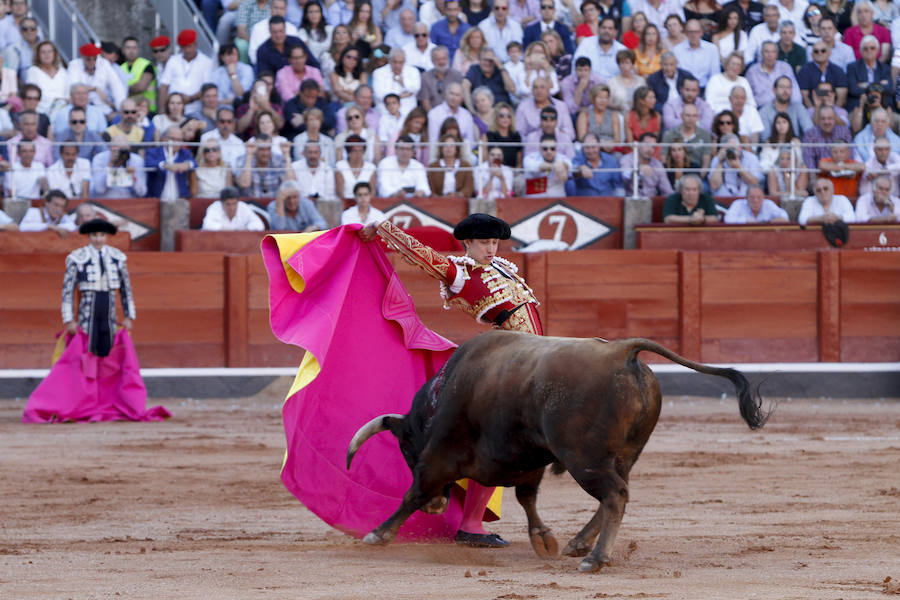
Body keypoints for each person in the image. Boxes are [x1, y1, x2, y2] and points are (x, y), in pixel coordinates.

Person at [355, 212, 541, 549]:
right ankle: (470, 524)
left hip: (529, 358)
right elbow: (419, 252)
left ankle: (471, 521)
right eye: (484, 242)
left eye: (495, 242)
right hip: (509, 363)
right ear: (467, 243)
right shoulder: (458, 273)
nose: (491, 248)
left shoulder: (500, 267)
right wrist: (383, 227)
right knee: (496, 442)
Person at [59, 217, 133, 355]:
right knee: (86, 352)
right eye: (94, 235)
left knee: (109, 352)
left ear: (106, 236)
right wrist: (69, 320)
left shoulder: (117, 257)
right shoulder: (77, 257)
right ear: (89, 236)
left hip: (109, 316)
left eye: (102, 235)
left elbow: (126, 289)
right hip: (86, 316)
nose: (98, 239)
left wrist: (129, 316)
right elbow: (67, 291)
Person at [145, 126, 197, 199]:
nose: (176, 142)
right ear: (164, 139)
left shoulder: (185, 152)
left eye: (178, 140)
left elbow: (195, 163)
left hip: (180, 199)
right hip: (157, 199)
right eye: (172, 139)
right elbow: (149, 163)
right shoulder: (153, 152)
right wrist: (166, 165)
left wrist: (187, 165)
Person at [746, 41, 802, 107]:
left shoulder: (785, 67)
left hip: (786, 107)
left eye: (773, 52)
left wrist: (795, 106)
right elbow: (748, 96)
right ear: (761, 54)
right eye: (766, 52)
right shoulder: (752, 72)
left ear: (777, 54)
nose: (770, 55)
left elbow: (795, 91)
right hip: (762, 109)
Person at [758, 75, 814, 141]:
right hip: (773, 148)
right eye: (782, 87)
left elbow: (810, 132)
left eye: (788, 87)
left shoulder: (799, 108)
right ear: (774, 90)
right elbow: (765, 138)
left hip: (796, 148)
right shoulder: (764, 111)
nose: (785, 90)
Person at [846, 35, 892, 111]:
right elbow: (854, 90)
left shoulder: (885, 68)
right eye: (865, 48)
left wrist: (865, 84)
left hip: (882, 107)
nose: (869, 51)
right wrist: (879, 85)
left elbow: (889, 89)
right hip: (859, 106)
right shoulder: (852, 67)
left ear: (878, 50)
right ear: (861, 51)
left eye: (872, 48)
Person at [573, 16, 627, 82]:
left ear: (615, 32)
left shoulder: (622, 49)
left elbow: (627, 73)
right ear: (598, 29)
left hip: (614, 88)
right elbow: (576, 66)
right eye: (604, 28)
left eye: (610, 28)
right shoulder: (586, 43)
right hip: (589, 86)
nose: (606, 31)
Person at [672, 19, 721, 89]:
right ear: (686, 33)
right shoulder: (677, 50)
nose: (693, 35)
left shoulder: (712, 49)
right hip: (684, 89)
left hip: (705, 88)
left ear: (701, 33)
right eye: (690, 32)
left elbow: (715, 75)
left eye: (696, 32)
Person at [798, 42, 849, 109]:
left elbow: (841, 96)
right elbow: (804, 96)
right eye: (816, 51)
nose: (820, 53)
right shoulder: (804, 70)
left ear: (829, 53)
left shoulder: (837, 70)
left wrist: (833, 112)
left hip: (834, 110)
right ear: (812, 54)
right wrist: (812, 113)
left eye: (823, 51)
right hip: (812, 110)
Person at [621, 132, 673, 197]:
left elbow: (667, 190)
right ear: (638, 145)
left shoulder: (657, 165)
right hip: (631, 200)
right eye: (646, 145)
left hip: (651, 202)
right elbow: (624, 177)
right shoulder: (627, 159)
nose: (649, 149)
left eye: (653, 147)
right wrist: (638, 171)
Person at [802, 105, 852, 172]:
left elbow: (850, 156)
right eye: (823, 119)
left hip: (843, 173)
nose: (826, 122)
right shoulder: (810, 134)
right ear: (818, 120)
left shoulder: (844, 132)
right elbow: (809, 161)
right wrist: (814, 179)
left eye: (830, 118)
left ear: (835, 119)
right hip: (820, 175)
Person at [418, 46, 464, 113]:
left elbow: (460, 99)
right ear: (432, 61)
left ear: (448, 59)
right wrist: (434, 117)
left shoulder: (457, 75)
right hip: (432, 116)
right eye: (438, 59)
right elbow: (425, 101)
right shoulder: (425, 77)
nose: (441, 62)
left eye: (444, 58)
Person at [335, 134, 377, 203]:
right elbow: (340, 193)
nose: (358, 154)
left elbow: (372, 192)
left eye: (361, 150)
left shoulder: (371, 167)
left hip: (365, 204)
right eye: (354, 151)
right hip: (345, 203)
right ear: (349, 152)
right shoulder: (340, 166)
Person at [724, 185, 790, 223]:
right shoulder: (738, 204)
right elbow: (728, 219)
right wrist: (747, 221)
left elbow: (785, 217)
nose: (756, 200)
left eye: (759, 197)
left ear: (763, 197)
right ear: (746, 198)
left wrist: (770, 222)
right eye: (752, 197)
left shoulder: (768, 204)